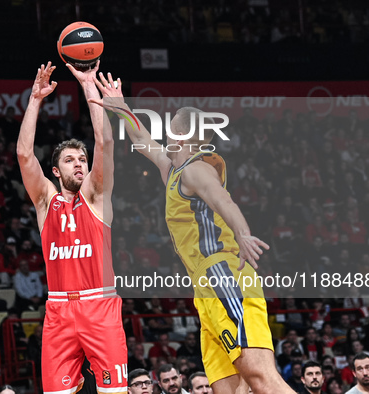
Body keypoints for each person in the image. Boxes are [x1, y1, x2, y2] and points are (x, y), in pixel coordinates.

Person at [93, 76, 287, 394]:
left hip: (224, 273)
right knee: (227, 388)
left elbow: (223, 200)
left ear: (181, 135)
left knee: (260, 376)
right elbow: (142, 140)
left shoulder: (197, 169)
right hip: (205, 288)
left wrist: (243, 234)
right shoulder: (173, 171)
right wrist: (122, 108)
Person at [16, 61, 126, 394]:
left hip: (100, 306)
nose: (79, 163)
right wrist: (35, 99)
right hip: (59, 309)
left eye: (82, 159)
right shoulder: (46, 202)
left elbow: (104, 141)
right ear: (55, 171)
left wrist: (89, 85)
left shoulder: (96, 197)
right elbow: (23, 153)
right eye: (70, 160)